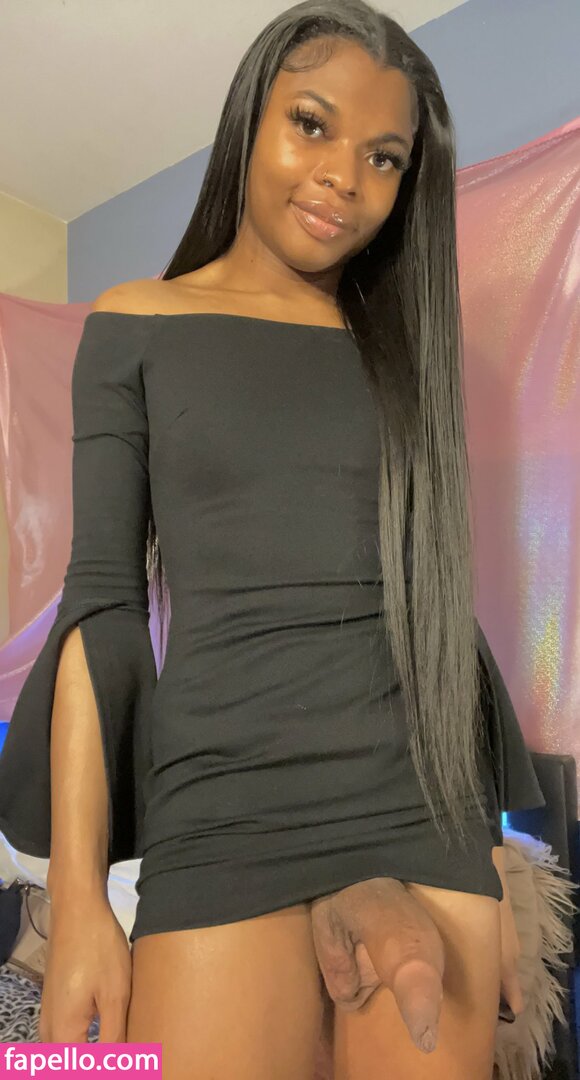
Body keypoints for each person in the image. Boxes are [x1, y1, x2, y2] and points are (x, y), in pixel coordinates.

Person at [0, 1, 545, 1076]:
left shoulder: (406, 351)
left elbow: (433, 600)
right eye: (311, 124)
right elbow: (101, 605)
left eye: (384, 157)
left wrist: (484, 845)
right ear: (251, 117)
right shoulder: (135, 322)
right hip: (219, 804)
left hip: (414, 807)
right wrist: (79, 897)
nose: (344, 175)